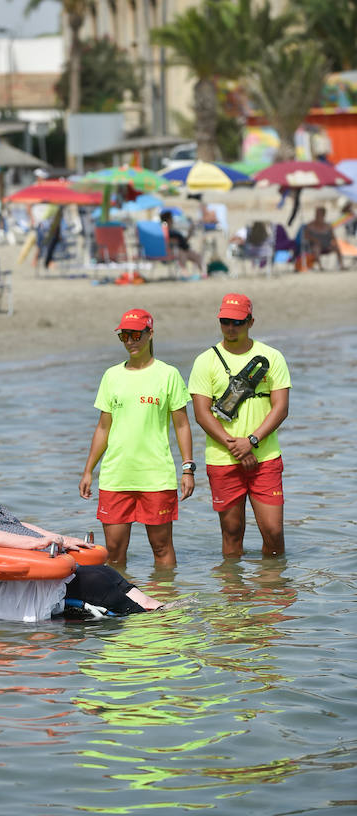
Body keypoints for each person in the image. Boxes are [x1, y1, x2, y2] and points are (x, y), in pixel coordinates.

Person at [0, 451, 164, 622]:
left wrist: (61, 539)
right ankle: (143, 620)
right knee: (96, 581)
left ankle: (154, 607)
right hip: (21, 585)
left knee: (105, 572)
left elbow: (19, 525)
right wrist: (35, 544)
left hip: (38, 573)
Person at [78, 309, 195, 569]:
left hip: (156, 476)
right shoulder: (111, 376)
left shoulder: (169, 375)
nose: (130, 341)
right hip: (116, 477)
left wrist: (188, 468)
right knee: (115, 554)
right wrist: (88, 471)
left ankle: (165, 606)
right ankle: (122, 608)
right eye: (124, 336)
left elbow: (182, 424)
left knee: (162, 549)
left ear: (150, 334)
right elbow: (103, 428)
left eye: (136, 335)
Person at [188, 293, 291, 559]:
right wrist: (236, 447)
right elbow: (201, 413)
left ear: (251, 321)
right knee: (232, 532)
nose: (231, 328)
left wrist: (252, 442)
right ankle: (235, 597)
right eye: (225, 321)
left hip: (265, 456)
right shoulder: (205, 361)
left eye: (238, 322)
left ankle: (271, 590)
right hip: (223, 459)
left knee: (273, 532)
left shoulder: (272, 356)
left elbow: (281, 407)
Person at [160, 210, 204, 275]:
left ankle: (202, 273)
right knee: (182, 253)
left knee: (196, 256)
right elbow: (177, 242)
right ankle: (185, 273)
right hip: (170, 253)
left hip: (180, 250)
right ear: (168, 220)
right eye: (171, 218)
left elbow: (182, 242)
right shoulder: (166, 232)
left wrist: (190, 233)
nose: (173, 220)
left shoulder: (170, 231)